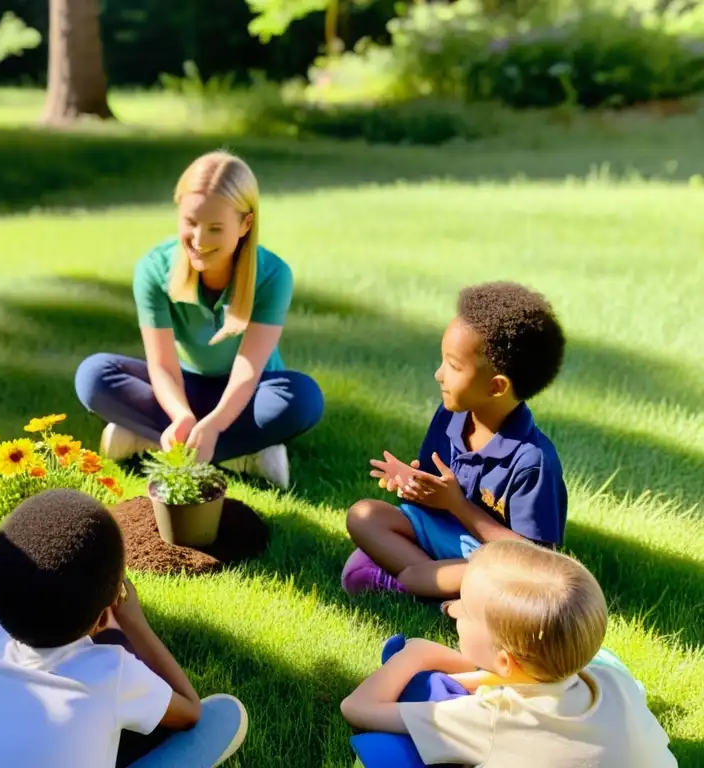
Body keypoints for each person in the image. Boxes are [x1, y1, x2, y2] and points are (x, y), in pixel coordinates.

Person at [0, 489, 248, 768]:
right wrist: (136, 623)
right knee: (220, 719)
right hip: (126, 681)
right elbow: (192, 711)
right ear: (105, 613)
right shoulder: (112, 673)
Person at [74, 150, 324, 489]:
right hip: (181, 387)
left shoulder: (273, 275)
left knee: (303, 399)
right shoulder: (154, 269)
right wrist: (181, 415)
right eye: (190, 223)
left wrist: (217, 423)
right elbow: (161, 364)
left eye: (215, 228)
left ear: (245, 224)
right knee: (93, 376)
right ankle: (242, 455)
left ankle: (148, 441)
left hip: (249, 392)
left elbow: (249, 368)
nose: (199, 240)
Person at [340, 539, 678, 767]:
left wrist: (415, 655)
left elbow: (357, 709)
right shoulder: (610, 678)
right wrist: (466, 673)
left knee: (385, 751)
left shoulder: (489, 717)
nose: (453, 610)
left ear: (505, 660)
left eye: (466, 610)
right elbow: (511, 679)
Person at [343, 282, 568, 598]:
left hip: (488, 560)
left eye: (453, 366)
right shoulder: (450, 416)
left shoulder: (533, 460)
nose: (438, 374)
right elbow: (433, 499)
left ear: (496, 387)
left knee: (512, 580)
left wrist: (457, 505)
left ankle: (416, 583)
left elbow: (538, 563)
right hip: (441, 536)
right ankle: (431, 585)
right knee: (364, 515)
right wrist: (414, 485)